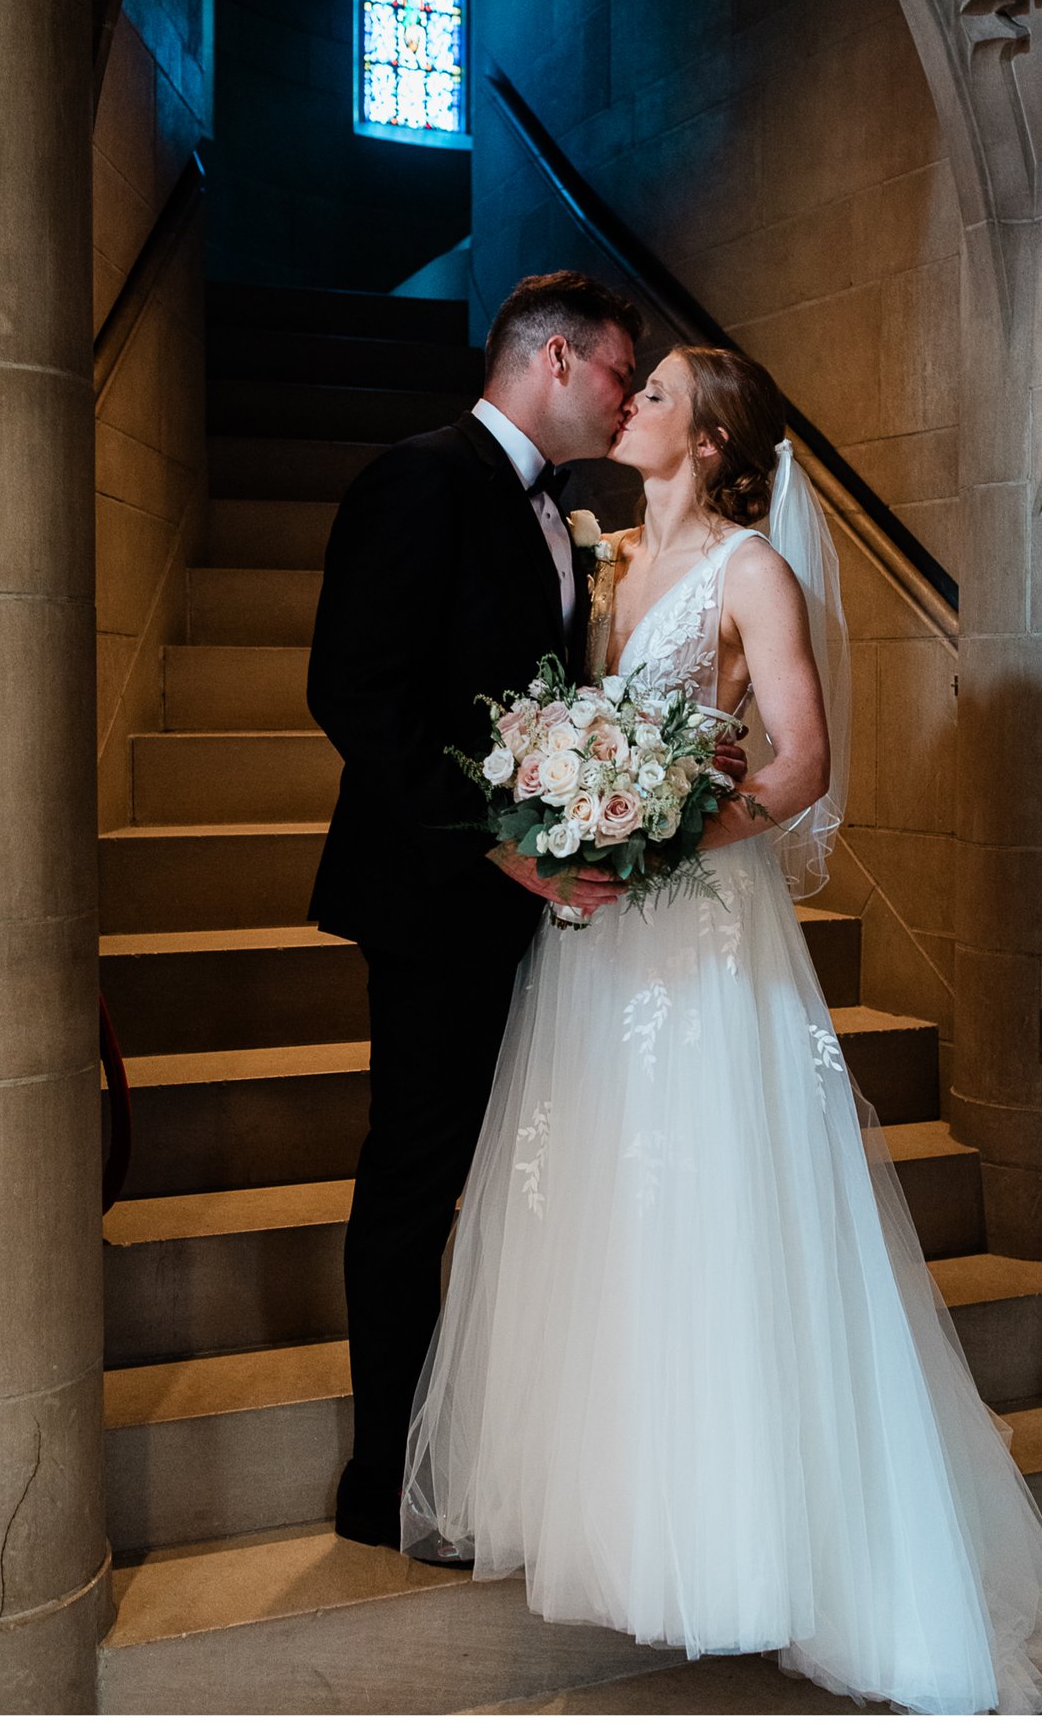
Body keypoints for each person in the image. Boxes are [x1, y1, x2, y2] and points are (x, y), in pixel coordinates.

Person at [401, 345, 1042, 1712]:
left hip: (703, 940)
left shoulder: (752, 573)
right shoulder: (602, 574)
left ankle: (771, 1542)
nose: (632, 405)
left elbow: (799, 759)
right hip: (599, 955)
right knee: (614, 1217)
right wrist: (574, 822)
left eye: (658, 393)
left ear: (716, 440)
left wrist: (664, 837)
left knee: (726, 1215)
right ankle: (646, 1526)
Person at [306, 271, 649, 1547]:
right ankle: (381, 1481)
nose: (624, 403)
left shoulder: (559, 514)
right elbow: (354, 693)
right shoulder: (420, 475)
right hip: (437, 903)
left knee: (524, 1181)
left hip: (536, 906)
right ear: (554, 359)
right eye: (619, 373)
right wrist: (500, 852)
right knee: (416, 1181)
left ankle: (491, 1443)